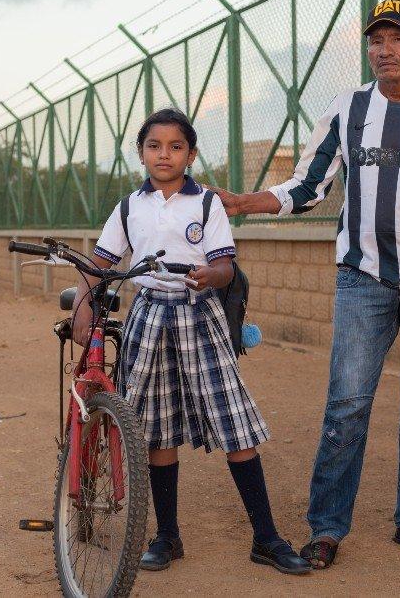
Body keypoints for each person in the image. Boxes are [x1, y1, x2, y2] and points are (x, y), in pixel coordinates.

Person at [208, 0, 400, 567]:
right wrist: (246, 201)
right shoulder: (348, 108)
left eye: (398, 39)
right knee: (346, 403)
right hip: (362, 277)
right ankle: (327, 526)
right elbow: (308, 184)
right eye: (376, 40)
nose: (385, 50)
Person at [71, 108, 311, 575]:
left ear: (191, 153)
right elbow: (100, 262)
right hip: (148, 318)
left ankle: (266, 537)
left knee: (233, 424)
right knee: (156, 430)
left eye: (175, 146)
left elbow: (225, 264)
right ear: (141, 153)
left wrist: (210, 276)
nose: (165, 154)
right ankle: (167, 536)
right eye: (154, 146)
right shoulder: (129, 207)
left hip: (200, 318)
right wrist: (83, 300)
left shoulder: (208, 204)